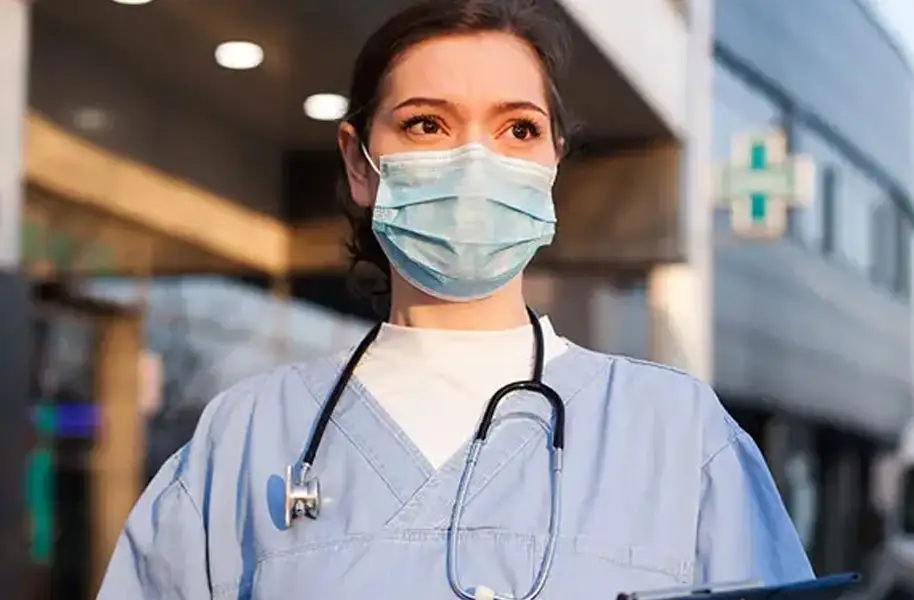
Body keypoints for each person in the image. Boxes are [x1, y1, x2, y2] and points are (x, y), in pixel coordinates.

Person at [96, 0, 813, 598]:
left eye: (519, 129)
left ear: (552, 164)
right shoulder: (249, 438)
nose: (477, 161)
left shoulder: (678, 437)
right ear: (359, 163)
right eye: (427, 124)